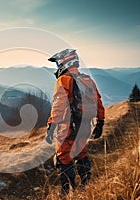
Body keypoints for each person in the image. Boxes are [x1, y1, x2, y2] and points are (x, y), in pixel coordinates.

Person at [45, 48, 105, 193]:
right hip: (85, 126)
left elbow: (59, 105)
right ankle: (86, 187)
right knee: (81, 154)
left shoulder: (64, 80)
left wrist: (51, 126)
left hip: (67, 127)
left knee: (63, 159)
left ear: (65, 62)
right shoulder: (87, 80)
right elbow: (98, 101)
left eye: (59, 63)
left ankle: (68, 192)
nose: (58, 66)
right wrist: (100, 123)